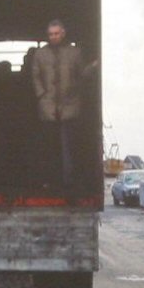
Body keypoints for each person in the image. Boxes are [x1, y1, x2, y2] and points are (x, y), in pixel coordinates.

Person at [32, 19, 98, 188]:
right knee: (48, 146)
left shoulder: (74, 53)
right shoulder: (40, 54)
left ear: (63, 33)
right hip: (47, 107)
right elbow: (35, 76)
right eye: (50, 34)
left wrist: (93, 67)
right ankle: (49, 180)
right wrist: (41, 95)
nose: (53, 37)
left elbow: (82, 75)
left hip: (70, 106)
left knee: (69, 146)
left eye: (56, 34)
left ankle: (69, 181)